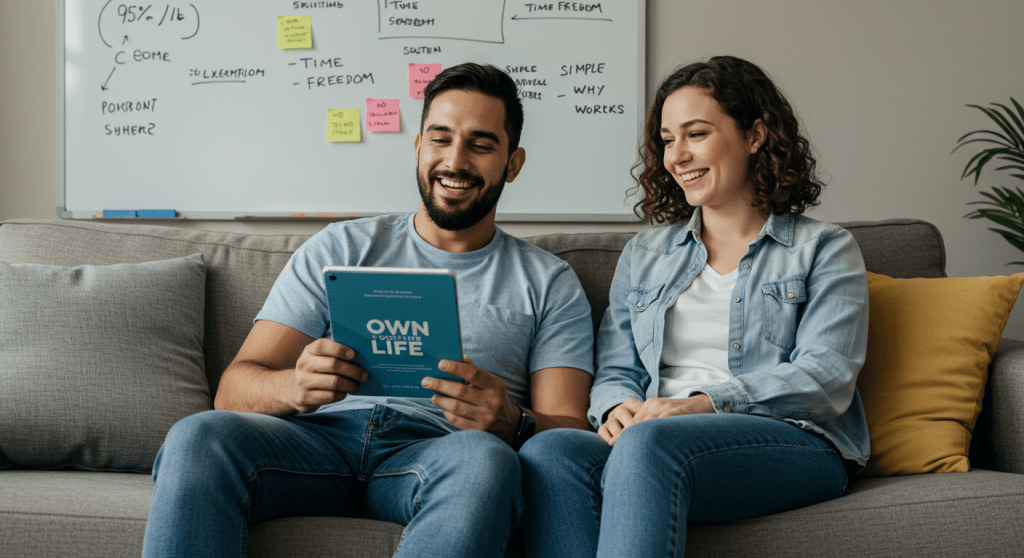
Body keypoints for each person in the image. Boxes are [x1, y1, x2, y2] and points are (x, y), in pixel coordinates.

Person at [141, 62, 595, 558]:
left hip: (441, 452)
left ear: (513, 162)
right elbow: (233, 390)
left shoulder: (549, 281)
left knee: (487, 460)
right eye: (440, 139)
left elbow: (570, 428)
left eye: (481, 144)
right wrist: (293, 385)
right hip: (314, 443)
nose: (456, 161)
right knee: (198, 436)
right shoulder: (341, 246)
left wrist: (511, 421)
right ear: (418, 147)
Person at [518, 55, 871, 558]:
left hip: (789, 441)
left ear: (755, 135)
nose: (676, 155)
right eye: (666, 140)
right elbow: (617, 367)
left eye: (696, 134)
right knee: (548, 451)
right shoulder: (645, 254)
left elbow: (826, 376)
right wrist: (616, 408)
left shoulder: (824, 248)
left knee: (647, 446)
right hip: (657, 435)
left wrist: (700, 404)